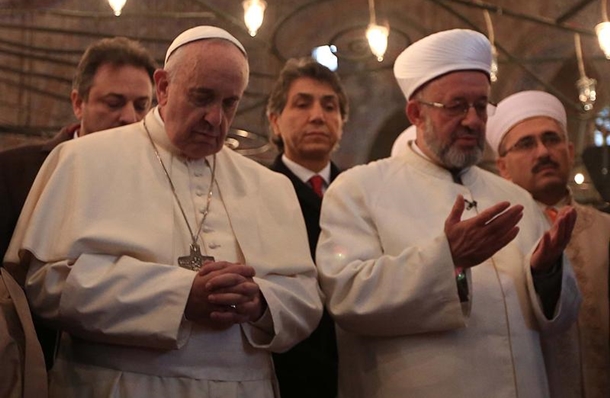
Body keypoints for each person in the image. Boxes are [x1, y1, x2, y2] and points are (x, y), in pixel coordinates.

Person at [3, 25, 322, 398]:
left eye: (229, 103)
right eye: (202, 97)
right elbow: (47, 285)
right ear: (164, 87)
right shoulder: (83, 160)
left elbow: (305, 297)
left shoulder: (270, 185)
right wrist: (180, 296)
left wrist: (261, 302)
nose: (215, 119)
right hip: (117, 386)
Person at [315, 29, 581, 398]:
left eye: (481, 105)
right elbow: (346, 295)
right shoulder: (359, 189)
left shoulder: (514, 197)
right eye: (456, 106)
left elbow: (560, 321)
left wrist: (546, 273)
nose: (473, 120)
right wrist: (448, 260)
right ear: (416, 113)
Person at [0, 36, 157, 372]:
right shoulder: (14, 170)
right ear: (78, 102)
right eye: (114, 102)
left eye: (142, 105)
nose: (129, 117)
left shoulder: (160, 180)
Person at [486, 90, 610, 398]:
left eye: (551, 140)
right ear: (503, 166)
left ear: (569, 151)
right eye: (526, 144)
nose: (543, 152)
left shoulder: (606, 228)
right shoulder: (493, 239)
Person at [266, 57, 348, 398]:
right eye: (302, 104)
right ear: (274, 121)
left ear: (342, 122)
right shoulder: (258, 191)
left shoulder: (360, 192)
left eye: (329, 106)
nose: (317, 116)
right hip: (288, 367)